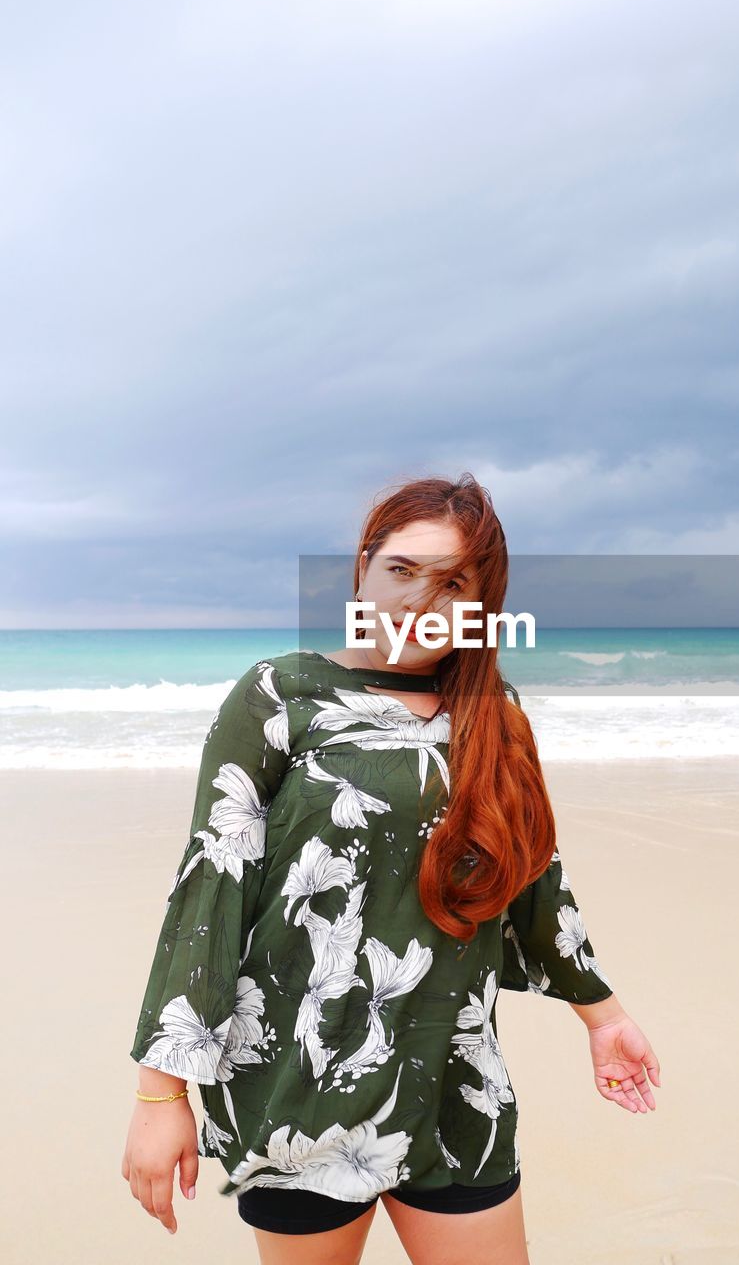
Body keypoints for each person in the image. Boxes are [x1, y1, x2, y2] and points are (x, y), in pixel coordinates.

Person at [121, 472, 661, 1265]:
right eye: (402, 571)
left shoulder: (495, 716)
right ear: (364, 570)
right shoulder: (281, 695)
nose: (419, 601)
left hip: (456, 1076)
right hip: (294, 1081)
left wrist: (605, 1016)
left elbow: (533, 878)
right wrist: (160, 1091)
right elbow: (211, 887)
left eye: (453, 584)